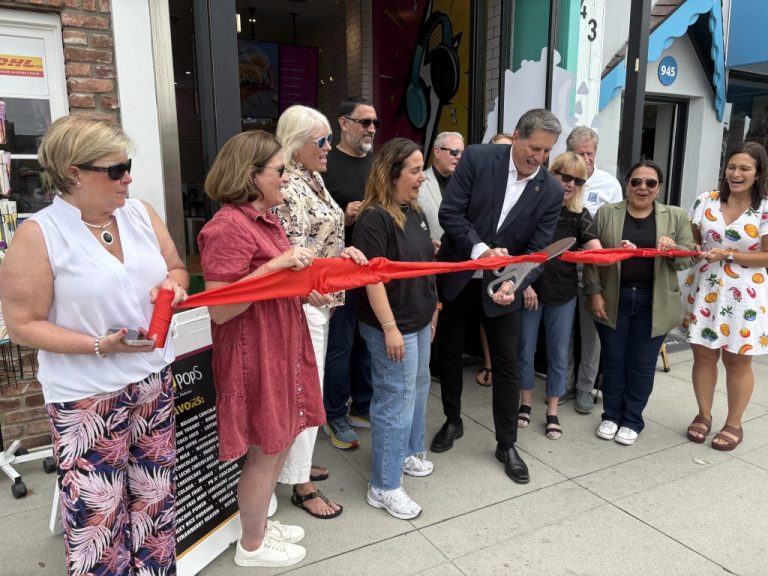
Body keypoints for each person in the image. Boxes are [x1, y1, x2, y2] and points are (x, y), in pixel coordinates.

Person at [0, 115, 188, 575]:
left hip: (152, 381)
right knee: (98, 521)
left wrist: (174, 286)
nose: (128, 178)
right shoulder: (39, 235)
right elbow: (22, 326)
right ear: (74, 173)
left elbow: (176, 268)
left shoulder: (140, 214)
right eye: (116, 169)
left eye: (128, 166)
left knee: (156, 502)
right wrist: (99, 345)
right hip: (86, 397)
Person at [198, 130, 322, 568]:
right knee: (265, 452)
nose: (286, 178)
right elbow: (221, 309)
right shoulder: (226, 226)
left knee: (280, 442)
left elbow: (276, 285)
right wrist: (276, 266)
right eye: (279, 171)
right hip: (255, 355)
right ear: (251, 175)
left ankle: (259, 527)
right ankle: (252, 546)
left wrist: (308, 288)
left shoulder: (265, 220)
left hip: (279, 345)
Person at [431, 108, 564, 485]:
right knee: (449, 354)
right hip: (460, 276)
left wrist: (515, 283)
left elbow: (538, 251)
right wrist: (481, 251)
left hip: (504, 288)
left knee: (508, 363)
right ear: (517, 136)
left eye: (547, 151)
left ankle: (507, 443)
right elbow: (450, 213)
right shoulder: (477, 158)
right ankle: (452, 420)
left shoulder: (550, 190)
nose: (539, 158)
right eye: (534, 147)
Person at [275, 105, 366, 518]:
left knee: (310, 388)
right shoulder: (288, 184)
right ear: (296, 145)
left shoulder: (313, 178)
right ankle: (301, 485)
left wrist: (342, 253)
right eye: (322, 140)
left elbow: (320, 236)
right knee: (304, 392)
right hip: (302, 305)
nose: (330, 147)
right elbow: (291, 251)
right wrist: (315, 280)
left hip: (321, 301)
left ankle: (298, 464)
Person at [352, 137, 438, 519]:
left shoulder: (414, 211)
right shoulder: (374, 218)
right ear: (392, 174)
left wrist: (434, 307)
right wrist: (389, 328)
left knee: (416, 389)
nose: (422, 177)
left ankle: (407, 453)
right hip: (393, 325)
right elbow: (372, 278)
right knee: (394, 400)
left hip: (418, 319)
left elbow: (424, 266)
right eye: (415, 171)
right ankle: (384, 486)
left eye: (422, 170)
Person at [584, 159, 695, 446]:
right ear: (627, 185)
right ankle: (611, 415)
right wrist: (594, 292)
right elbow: (592, 257)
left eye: (650, 182)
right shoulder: (608, 213)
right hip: (613, 298)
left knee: (642, 365)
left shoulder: (675, 216)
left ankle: (632, 419)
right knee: (613, 362)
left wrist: (672, 250)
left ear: (659, 188)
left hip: (653, 302)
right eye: (636, 181)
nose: (642, 187)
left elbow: (689, 258)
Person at [682, 142, 768, 451]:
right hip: (705, 289)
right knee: (703, 356)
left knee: (737, 360)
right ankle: (703, 414)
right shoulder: (706, 200)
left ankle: (734, 423)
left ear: (758, 173)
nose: (736, 173)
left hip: (744, 295)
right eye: (732, 166)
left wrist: (728, 254)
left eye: (745, 168)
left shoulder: (765, 208)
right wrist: (690, 249)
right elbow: (692, 241)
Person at [517, 152, 602, 439]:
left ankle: (552, 411)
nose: (571, 184)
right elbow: (517, 250)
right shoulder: (530, 208)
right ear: (551, 173)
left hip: (563, 292)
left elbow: (597, 251)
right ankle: (525, 403)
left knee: (558, 352)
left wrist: (623, 248)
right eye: (566, 176)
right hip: (531, 290)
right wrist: (525, 285)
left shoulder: (580, 215)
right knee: (525, 349)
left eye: (578, 180)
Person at [322, 97, 379, 450]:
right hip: (339, 271)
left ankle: (362, 404)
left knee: (367, 343)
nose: (371, 129)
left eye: (375, 123)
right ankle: (334, 412)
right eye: (364, 122)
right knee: (340, 345)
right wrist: (343, 217)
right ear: (343, 123)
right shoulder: (325, 164)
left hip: (371, 269)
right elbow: (311, 225)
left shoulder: (376, 164)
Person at [565, 126, 624, 413]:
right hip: (563, 270)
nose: (585, 159)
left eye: (589, 153)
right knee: (563, 332)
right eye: (579, 153)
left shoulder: (609, 185)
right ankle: (563, 383)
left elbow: (614, 228)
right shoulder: (560, 179)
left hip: (593, 272)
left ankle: (585, 388)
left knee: (591, 335)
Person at [473, 132, 516, 387]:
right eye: (498, 151)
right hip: (469, 272)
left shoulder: (524, 189)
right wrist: (482, 251)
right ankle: (488, 364)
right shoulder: (477, 181)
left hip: (505, 276)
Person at [419, 131, 465, 243]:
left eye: (462, 153)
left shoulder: (464, 185)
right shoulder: (418, 182)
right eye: (454, 152)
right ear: (437, 152)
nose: (459, 157)